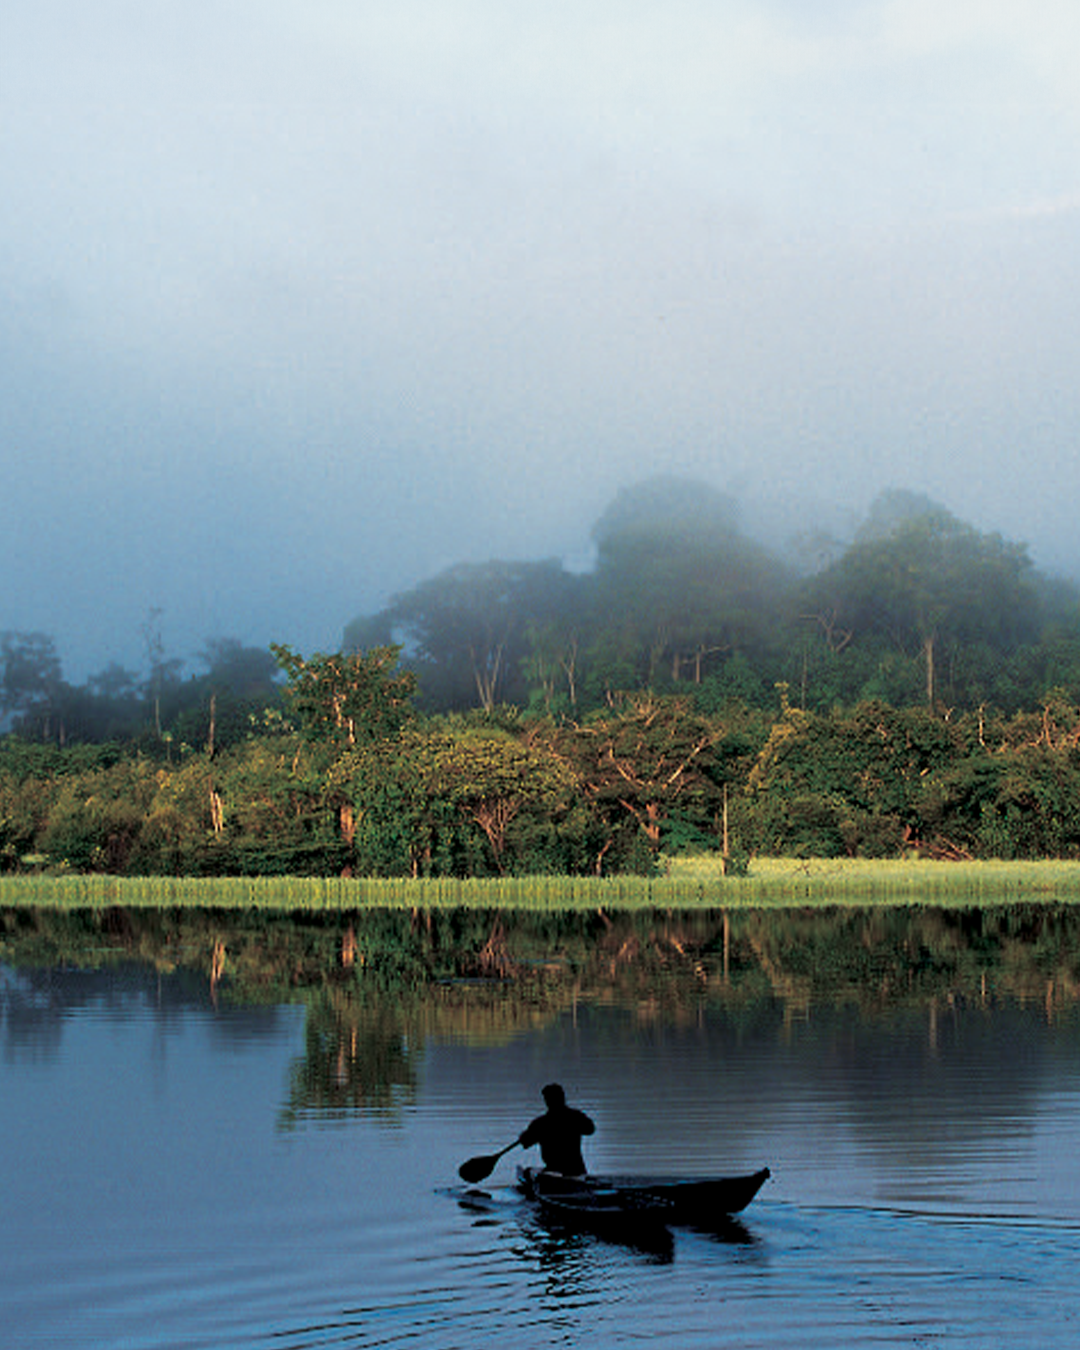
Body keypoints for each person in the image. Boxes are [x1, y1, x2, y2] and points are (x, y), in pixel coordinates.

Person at [518, 1083, 595, 1177]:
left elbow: (525, 1142)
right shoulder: (576, 1117)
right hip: (577, 1170)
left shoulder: (540, 1124)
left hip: (554, 1171)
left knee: (528, 1172)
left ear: (547, 1101)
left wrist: (524, 1136)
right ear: (563, 1098)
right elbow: (591, 1129)